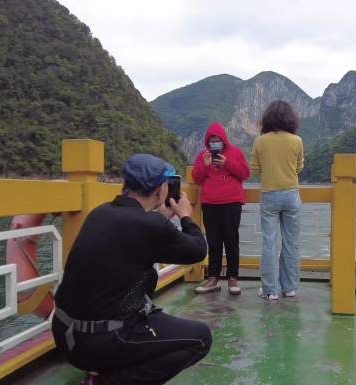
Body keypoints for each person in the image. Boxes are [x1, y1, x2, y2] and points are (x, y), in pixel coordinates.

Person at [52, 154, 211, 385]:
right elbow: (198, 250)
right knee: (200, 338)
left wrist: (160, 220)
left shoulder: (100, 212)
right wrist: (185, 216)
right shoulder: (150, 226)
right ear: (160, 190)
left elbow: (134, 233)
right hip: (103, 341)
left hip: (66, 336)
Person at [250, 100, 304, 301]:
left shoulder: (260, 141)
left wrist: (268, 171)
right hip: (291, 194)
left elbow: (254, 169)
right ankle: (289, 288)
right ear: (290, 118)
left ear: (267, 118)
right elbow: (299, 167)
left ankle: (270, 290)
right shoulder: (296, 140)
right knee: (291, 243)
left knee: (269, 243)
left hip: (269, 195)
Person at [192, 122, 250, 295]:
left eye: (218, 140)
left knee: (231, 239)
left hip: (231, 202)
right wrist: (204, 165)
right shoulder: (203, 155)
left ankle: (233, 278)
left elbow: (245, 173)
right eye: (212, 140)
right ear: (207, 141)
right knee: (213, 241)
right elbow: (196, 178)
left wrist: (227, 163)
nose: (215, 143)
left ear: (224, 139)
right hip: (210, 203)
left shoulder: (235, 153)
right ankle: (213, 277)